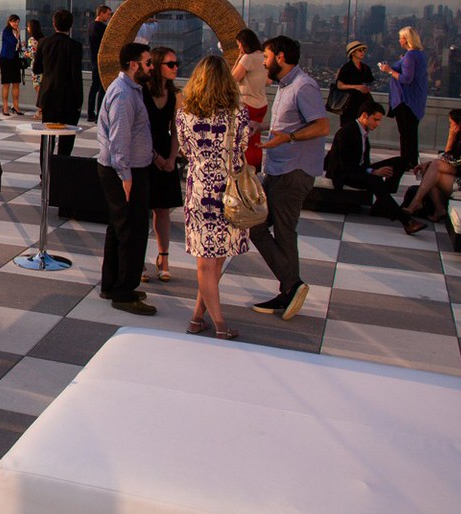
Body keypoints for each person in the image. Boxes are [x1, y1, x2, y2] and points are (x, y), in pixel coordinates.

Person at [250, 35, 328, 321]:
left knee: (276, 229)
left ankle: (291, 286)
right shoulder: (286, 85)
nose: (263, 61)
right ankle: (289, 287)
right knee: (261, 227)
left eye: (267, 56)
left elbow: (321, 126)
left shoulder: (303, 85)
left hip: (293, 171)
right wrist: (266, 126)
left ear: (280, 57)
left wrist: (289, 137)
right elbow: (290, 123)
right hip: (280, 168)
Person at [176, 54, 251, 340]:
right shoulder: (238, 115)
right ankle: (219, 324)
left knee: (205, 262)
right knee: (215, 261)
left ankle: (197, 318)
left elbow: (184, 149)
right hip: (230, 193)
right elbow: (242, 147)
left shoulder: (185, 115)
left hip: (199, 192)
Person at [97, 42, 156, 314]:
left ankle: (112, 284)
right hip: (124, 170)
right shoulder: (123, 95)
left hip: (125, 168)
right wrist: (126, 175)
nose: (151, 67)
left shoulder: (130, 90)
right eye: (148, 63)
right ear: (134, 65)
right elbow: (118, 138)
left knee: (119, 227)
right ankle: (123, 291)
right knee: (130, 230)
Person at [326, 101, 424, 235]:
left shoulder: (362, 132)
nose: (377, 124)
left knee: (401, 161)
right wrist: (372, 171)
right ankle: (406, 221)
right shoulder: (347, 132)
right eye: (375, 120)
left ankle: (382, 203)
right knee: (375, 180)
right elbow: (345, 166)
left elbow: (362, 162)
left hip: (358, 168)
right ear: (365, 115)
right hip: (344, 173)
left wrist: (371, 170)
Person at [404, 108, 461, 223]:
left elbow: (446, 159)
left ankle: (417, 202)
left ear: (459, 125)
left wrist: (451, 137)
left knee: (433, 169)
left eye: (451, 124)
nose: (450, 128)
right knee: (432, 171)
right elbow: (447, 160)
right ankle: (438, 209)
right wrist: (429, 164)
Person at [143, 46, 182, 283]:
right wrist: (155, 156)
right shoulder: (142, 91)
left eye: (177, 63)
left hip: (166, 150)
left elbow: (177, 129)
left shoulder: (175, 94)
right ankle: (139, 259)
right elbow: (139, 129)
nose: (176, 68)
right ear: (157, 66)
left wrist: (171, 157)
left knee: (163, 209)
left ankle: (163, 258)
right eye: (170, 64)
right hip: (145, 150)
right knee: (142, 208)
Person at [34, 9, 84, 156]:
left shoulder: (44, 42)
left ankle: (46, 173)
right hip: (69, 98)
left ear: (54, 23)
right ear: (71, 25)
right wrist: (79, 100)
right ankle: (61, 172)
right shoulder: (75, 46)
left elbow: (37, 68)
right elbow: (76, 75)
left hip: (49, 96)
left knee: (47, 139)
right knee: (66, 141)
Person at [380, 27, 427, 174]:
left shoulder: (410, 56)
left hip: (405, 101)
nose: (399, 40)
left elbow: (406, 78)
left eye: (400, 37)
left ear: (406, 39)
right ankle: (411, 161)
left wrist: (389, 70)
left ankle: (406, 162)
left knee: (406, 134)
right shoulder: (419, 55)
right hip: (415, 101)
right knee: (411, 134)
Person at [230, 29, 268, 169]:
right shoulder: (264, 56)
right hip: (262, 104)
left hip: (247, 103)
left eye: (239, 44)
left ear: (244, 43)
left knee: (244, 139)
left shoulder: (248, 58)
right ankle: (256, 165)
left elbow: (232, 79)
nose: (239, 48)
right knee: (255, 138)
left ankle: (246, 167)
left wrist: (238, 59)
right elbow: (268, 81)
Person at [333, 40, 375, 131]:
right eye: (360, 50)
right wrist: (356, 87)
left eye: (363, 50)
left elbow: (370, 82)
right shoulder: (347, 68)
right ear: (353, 53)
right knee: (348, 129)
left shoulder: (365, 68)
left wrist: (366, 88)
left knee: (362, 129)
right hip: (349, 104)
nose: (363, 52)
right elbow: (339, 85)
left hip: (363, 104)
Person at [86, 5, 112, 121]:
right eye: (108, 14)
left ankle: (90, 114)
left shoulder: (91, 26)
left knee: (94, 88)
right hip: (101, 62)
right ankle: (99, 116)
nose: (109, 17)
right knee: (101, 89)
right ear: (101, 13)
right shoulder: (102, 28)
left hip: (93, 61)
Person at [0, 14, 24, 115]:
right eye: (14, 22)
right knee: (6, 83)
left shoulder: (17, 31)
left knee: (16, 83)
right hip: (6, 59)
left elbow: (17, 45)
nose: (16, 24)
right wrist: (17, 36)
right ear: (9, 22)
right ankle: (5, 107)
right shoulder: (6, 31)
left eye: (18, 22)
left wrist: (21, 44)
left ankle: (16, 106)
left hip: (15, 58)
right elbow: (13, 41)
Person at [25, 18, 45, 116]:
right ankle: (42, 109)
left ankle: (40, 110)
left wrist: (26, 54)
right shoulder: (43, 39)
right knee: (42, 88)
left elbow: (33, 54)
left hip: (36, 66)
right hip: (44, 66)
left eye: (28, 27)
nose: (27, 29)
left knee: (38, 88)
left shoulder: (32, 40)